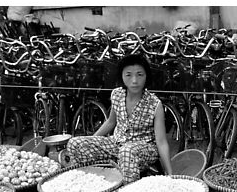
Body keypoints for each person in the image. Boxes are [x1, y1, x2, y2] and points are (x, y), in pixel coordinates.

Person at [67, 54, 173, 183]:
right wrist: (92, 140)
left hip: (144, 149)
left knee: (127, 152)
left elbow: (161, 141)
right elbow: (111, 122)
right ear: (122, 76)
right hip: (117, 144)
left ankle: (125, 191)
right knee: (75, 143)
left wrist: (170, 173)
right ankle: (96, 182)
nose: (134, 80)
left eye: (140, 75)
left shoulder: (155, 104)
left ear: (146, 77)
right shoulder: (117, 94)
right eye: (128, 75)